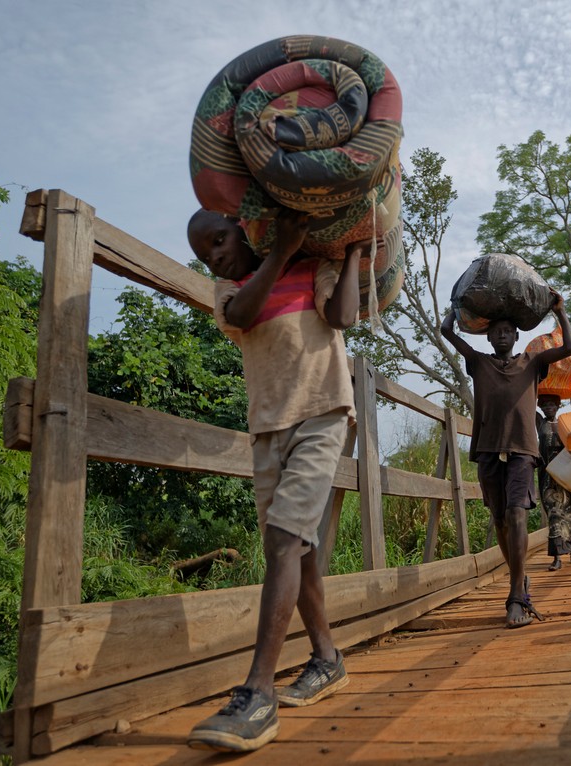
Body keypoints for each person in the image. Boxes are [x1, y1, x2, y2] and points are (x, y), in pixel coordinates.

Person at [185, 208, 368, 752]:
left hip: (322, 413)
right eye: (205, 252)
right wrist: (282, 253)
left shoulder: (313, 267)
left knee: (286, 539)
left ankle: (257, 693)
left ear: (248, 226)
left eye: (219, 239)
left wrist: (354, 251)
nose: (214, 255)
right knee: (295, 548)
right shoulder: (230, 289)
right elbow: (241, 317)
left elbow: (343, 318)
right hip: (267, 428)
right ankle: (328, 659)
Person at [440, 294, 571, 628]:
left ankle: (517, 594)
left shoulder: (532, 362)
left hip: (521, 449)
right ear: (488, 336)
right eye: (496, 331)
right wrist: (457, 308)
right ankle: (520, 575)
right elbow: (447, 331)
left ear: (516, 337)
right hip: (487, 448)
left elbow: (570, 347)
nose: (502, 335)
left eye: (508, 331)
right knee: (500, 518)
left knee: (517, 513)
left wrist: (560, 311)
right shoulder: (478, 362)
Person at [537, 394, 571, 570]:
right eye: (545, 405)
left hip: (567, 473)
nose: (548, 408)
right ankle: (557, 557)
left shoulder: (566, 423)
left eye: (551, 405)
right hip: (548, 476)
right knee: (554, 514)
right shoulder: (539, 422)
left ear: (557, 407)